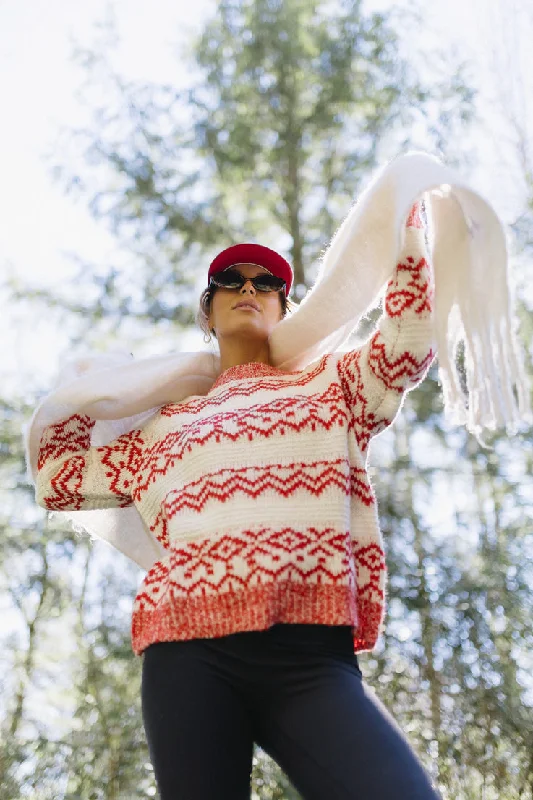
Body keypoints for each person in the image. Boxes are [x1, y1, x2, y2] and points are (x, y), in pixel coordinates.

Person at [33, 201, 445, 799]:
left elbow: (407, 345)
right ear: (208, 310)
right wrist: (94, 387)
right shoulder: (161, 428)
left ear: (285, 307)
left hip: (311, 655)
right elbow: (60, 478)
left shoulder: (331, 385)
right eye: (230, 280)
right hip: (186, 649)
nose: (247, 288)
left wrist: (405, 220)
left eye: (266, 283)